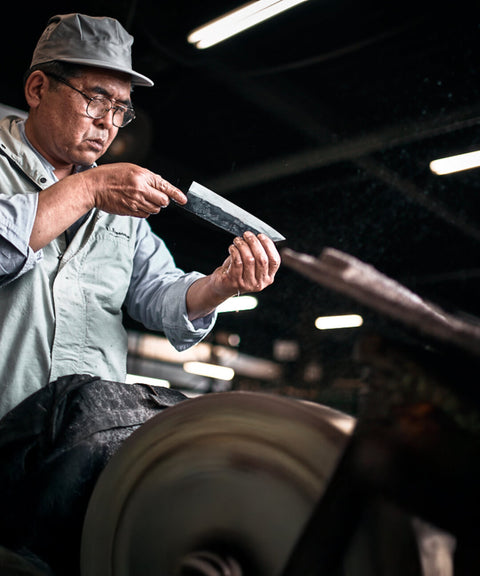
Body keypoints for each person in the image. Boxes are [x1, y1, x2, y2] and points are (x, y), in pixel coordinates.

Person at [0, 13, 281, 420]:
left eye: (120, 109)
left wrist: (221, 284)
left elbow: (159, 295)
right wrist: (89, 188)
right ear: (38, 88)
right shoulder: (102, 187)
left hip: (81, 438)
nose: (107, 123)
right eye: (95, 99)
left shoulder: (120, 208)